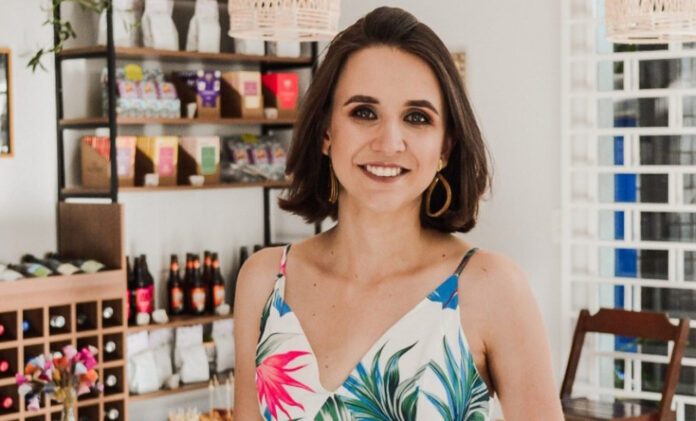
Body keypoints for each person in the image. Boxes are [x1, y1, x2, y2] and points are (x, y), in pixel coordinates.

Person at [234, 6, 563, 420]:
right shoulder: (264, 281)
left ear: (445, 147)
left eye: (416, 118)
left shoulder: (491, 288)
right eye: (364, 112)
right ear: (325, 132)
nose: (389, 142)